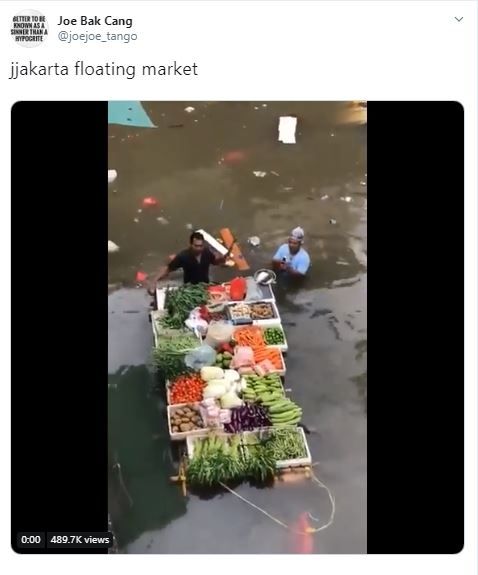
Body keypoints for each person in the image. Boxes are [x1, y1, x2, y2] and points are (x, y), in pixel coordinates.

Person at [147, 232, 229, 293]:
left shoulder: (206, 252)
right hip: (189, 287)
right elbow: (169, 269)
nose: (198, 248)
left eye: (200, 246)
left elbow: (214, 262)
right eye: (196, 246)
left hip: (205, 285)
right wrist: (154, 281)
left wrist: (221, 260)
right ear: (190, 244)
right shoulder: (183, 256)